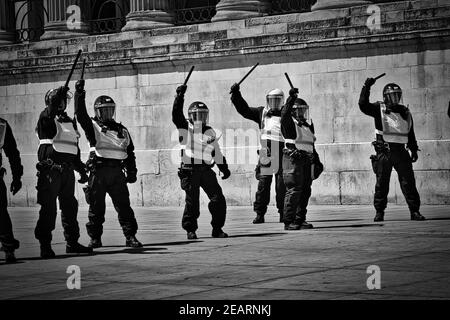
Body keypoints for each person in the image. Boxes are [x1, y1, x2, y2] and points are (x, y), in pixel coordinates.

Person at [74, 80, 142, 248]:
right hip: (98, 172)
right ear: (97, 112)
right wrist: (79, 94)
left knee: (124, 207)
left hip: (118, 173)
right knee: (96, 208)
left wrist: (132, 172)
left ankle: (130, 236)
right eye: (103, 111)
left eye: (110, 111)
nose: (107, 114)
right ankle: (95, 238)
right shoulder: (93, 127)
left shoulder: (122, 129)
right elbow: (80, 114)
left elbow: (129, 152)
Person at [35, 86, 92, 258]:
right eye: (58, 101)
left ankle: (72, 242)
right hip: (50, 172)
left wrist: (81, 170)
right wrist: (55, 97)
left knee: (70, 208)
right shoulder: (45, 117)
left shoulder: (68, 121)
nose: (61, 104)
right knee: (49, 209)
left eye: (63, 101)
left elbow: (73, 148)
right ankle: (45, 245)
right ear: (51, 102)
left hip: (67, 172)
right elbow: (49, 115)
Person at [359, 79, 425, 222]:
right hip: (385, 151)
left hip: (401, 152)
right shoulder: (379, 109)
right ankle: (379, 212)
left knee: (408, 183)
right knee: (382, 184)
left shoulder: (405, 111)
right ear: (385, 97)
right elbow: (363, 106)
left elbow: (410, 132)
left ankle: (415, 211)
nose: (395, 98)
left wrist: (413, 149)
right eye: (392, 95)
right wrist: (366, 87)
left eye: (397, 95)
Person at [173, 84, 230, 240]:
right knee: (192, 203)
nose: (201, 118)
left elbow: (216, 151)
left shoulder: (210, 131)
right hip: (190, 170)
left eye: (203, 115)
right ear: (191, 116)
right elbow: (176, 114)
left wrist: (224, 168)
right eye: (197, 115)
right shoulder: (185, 127)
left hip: (206, 170)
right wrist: (179, 97)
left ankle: (217, 229)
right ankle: (190, 229)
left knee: (218, 199)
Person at [230, 83, 286, 224]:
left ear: (282, 101)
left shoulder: (286, 114)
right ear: (267, 100)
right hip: (267, 152)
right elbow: (244, 110)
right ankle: (260, 213)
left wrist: (293, 98)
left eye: (277, 100)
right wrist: (236, 95)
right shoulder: (262, 113)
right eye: (272, 100)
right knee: (263, 185)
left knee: (282, 185)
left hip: (282, 152)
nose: (274, 103)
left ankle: (283, 213)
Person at [280, 90, 322, 230]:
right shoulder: (289, 124)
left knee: (305, 191)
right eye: (298, 111)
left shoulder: (307, 127)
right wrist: (291, 98)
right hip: (293, 160)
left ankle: (300, 219)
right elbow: (284, 114)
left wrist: (317, 162)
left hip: (307, 161)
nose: (302, 114)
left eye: (303, 111)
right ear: (293, 112)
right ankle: (288, 221)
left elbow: (311, 146)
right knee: (294, 190)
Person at [0, 118, 23, 263]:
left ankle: (9, 249)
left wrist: (17, 177)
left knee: (1, 215)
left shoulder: (1, 125)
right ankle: (9, 248)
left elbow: (12, 152)